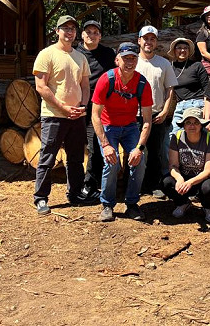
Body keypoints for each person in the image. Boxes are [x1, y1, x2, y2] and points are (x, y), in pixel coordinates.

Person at [32, 15, 92, 215]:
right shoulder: (46, 54)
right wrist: (63, 107)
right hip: (54, 115)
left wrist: (82, 106)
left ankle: (74, 194)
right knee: (47, 157)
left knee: (75, 158)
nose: (69, 32)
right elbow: (41, 87)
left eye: (72, 29)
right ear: (57, 31)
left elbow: (85, 85)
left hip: (76, 116)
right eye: (65, 28)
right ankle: (41, 198)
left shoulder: (80, 57)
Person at [91, 42, 153, 222]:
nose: (130, 62)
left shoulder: (142, 83)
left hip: (130, 127)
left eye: (133, 58)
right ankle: (107, 205)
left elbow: (147, 120)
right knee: (111, 162)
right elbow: (95, 115)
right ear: (117, 60)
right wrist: (105, 144)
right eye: (126, 58)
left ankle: (132, 204)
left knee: (139, 160)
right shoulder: (107, 79)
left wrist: (139, 148)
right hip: (108, 126)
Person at [74, 19, 117, 200]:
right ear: (82, 34)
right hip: (75, 104)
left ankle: (90, 184)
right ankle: (74, 184)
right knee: (75, 146)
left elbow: (116, 76)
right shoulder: (74, 52)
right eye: (88, 32)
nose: (92, 35)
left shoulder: (108, 54)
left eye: (95, 32)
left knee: (95, 147)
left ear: (100, 36)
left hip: (98, 107)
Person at [135, 25, 178, 198]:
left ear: (156, 42)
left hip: (156, 114)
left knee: (155, 153)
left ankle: (153, 184)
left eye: (152, 39)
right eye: (146, 38)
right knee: (135, 151)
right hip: (134, 115)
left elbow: (170, 90)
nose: (149, 42)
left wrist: (165, 111)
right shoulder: (131, 61)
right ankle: (134, 185)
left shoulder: (164, 63)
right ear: (139, 41)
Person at [162, 107, 210, 223]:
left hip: (203, 178)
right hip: (184, 176)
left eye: (196, 123)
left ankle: (208, 207)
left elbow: (208, 171)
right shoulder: (177, 137)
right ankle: (183, 203)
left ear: (201, 125)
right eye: (188, 123)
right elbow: (173, 165)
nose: (192, 126)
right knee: (167, 182)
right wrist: (179, 179)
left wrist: (190, 182)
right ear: (183, 125)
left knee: (209, 187)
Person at [169, 37, 209, 137]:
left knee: (195, 136)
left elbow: (207, 89)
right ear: (174, 51)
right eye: (179, 48)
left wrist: (206, 111)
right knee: (172, 137)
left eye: (185, 48)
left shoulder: (197, 65)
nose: (182, 50)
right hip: (179, 107)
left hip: (196, 104)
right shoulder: (170, 67)